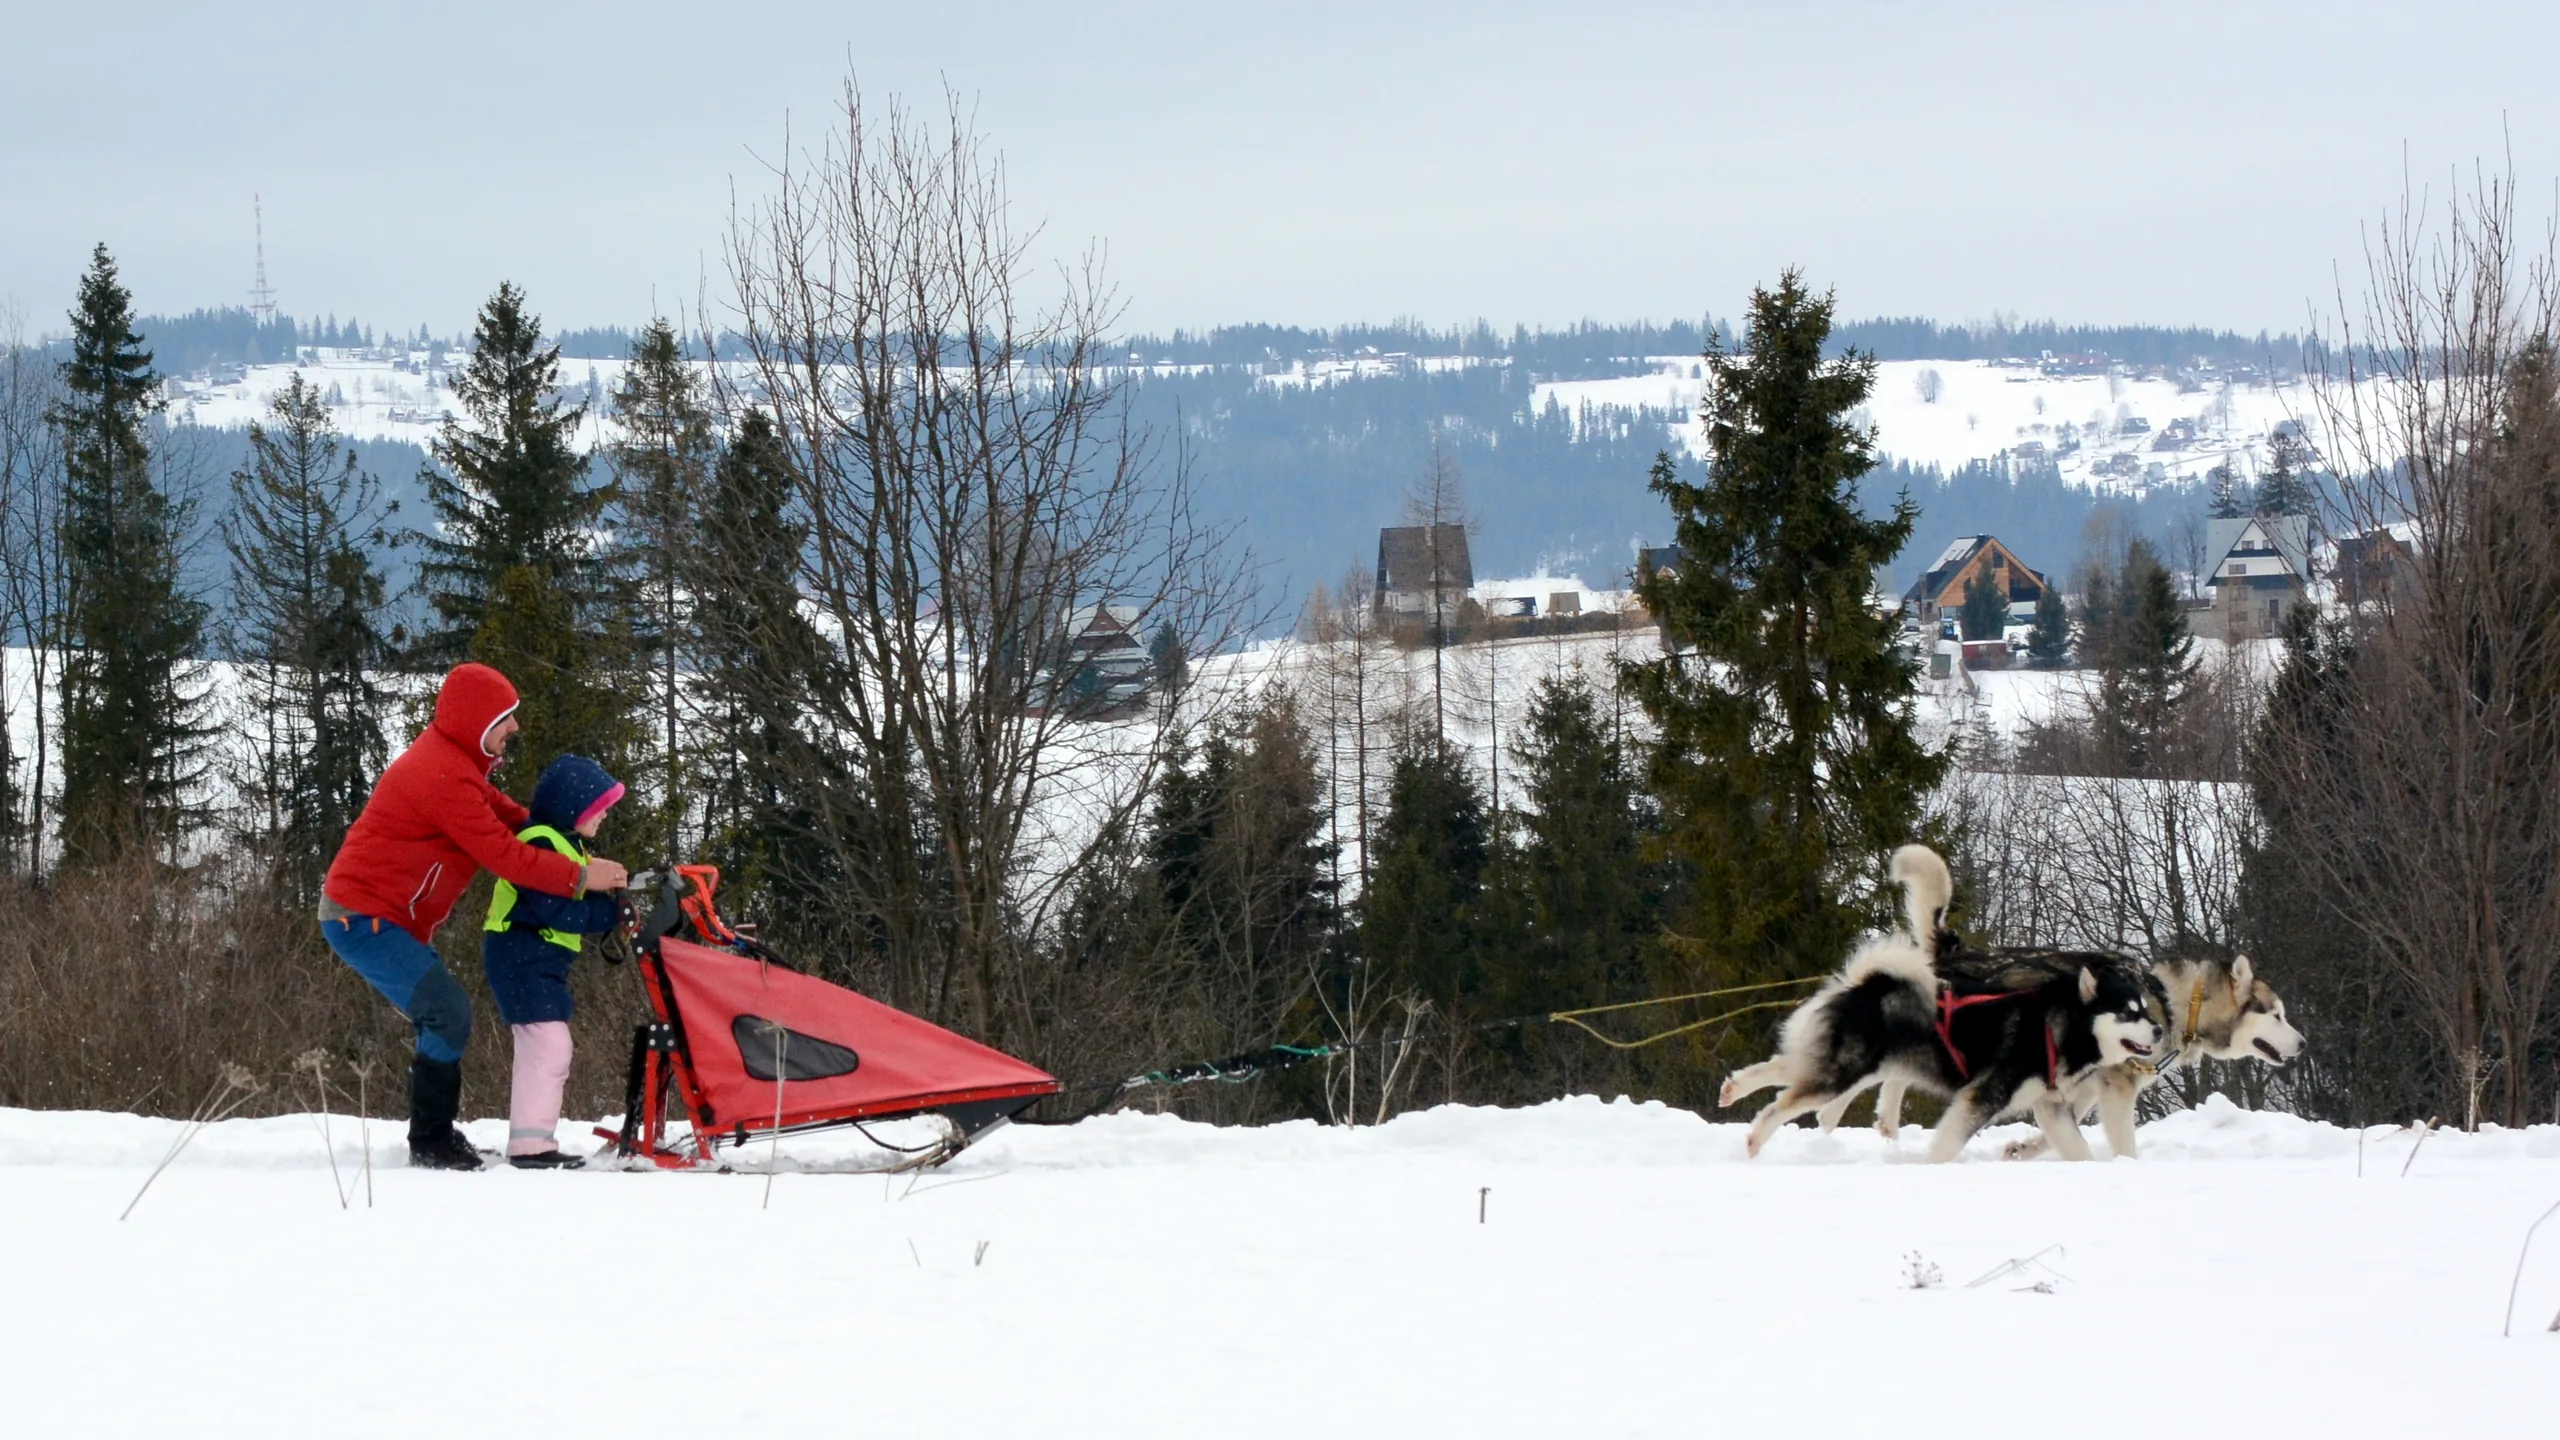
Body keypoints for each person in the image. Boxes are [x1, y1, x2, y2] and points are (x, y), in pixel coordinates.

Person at [319, 663, 630, 1170]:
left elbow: (512, 819)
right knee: (447, 1013)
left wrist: (561, 836)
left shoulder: (456, 765)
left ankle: (435, 1136)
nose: (515, 726)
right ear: (474, 720)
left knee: (442, 1013)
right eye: (505, 717)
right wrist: (578, 875)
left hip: (385, 918)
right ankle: (431, 1142)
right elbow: (505, 855)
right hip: (362, 919)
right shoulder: (441, 775)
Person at [481, 754, 627, 1170]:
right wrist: (612, 914)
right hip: (521, 956)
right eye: (598, 808)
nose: (604, 816)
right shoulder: (540, 842)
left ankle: (532, 1141)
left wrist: (613, 890)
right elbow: (558, 911)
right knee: (548, 1045)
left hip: (536, 959)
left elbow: (572, 891)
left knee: (545, 1044)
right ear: (572, 808)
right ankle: (530, 1147)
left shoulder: (564, 843)